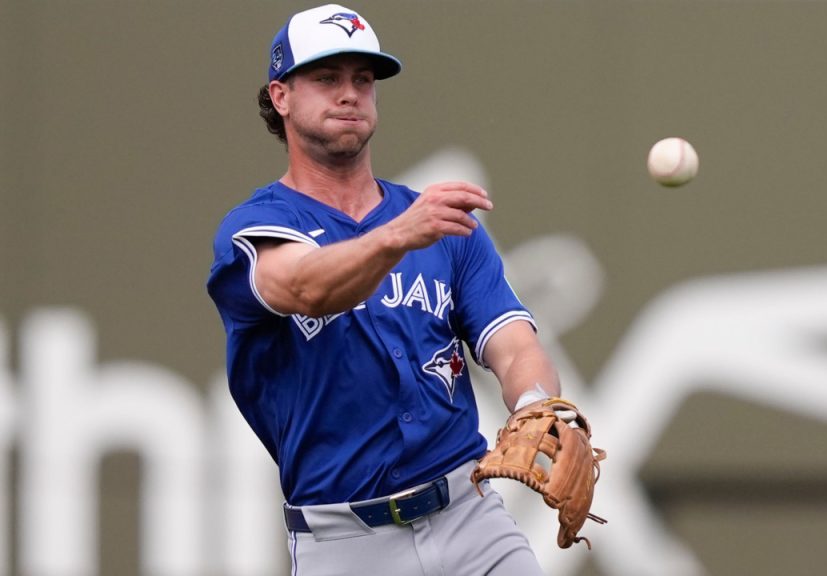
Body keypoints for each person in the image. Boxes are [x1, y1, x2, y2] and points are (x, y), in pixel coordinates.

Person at [207, 4, 567, 575]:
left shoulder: (441, 227)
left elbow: (514, 344)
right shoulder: (254, 229)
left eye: (363, 80)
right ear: (281, 96)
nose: (349, 93)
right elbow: (305, 287)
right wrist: (399, 234)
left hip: (469, 517)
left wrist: (537, 407)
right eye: (326, 78)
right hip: (347, 541)